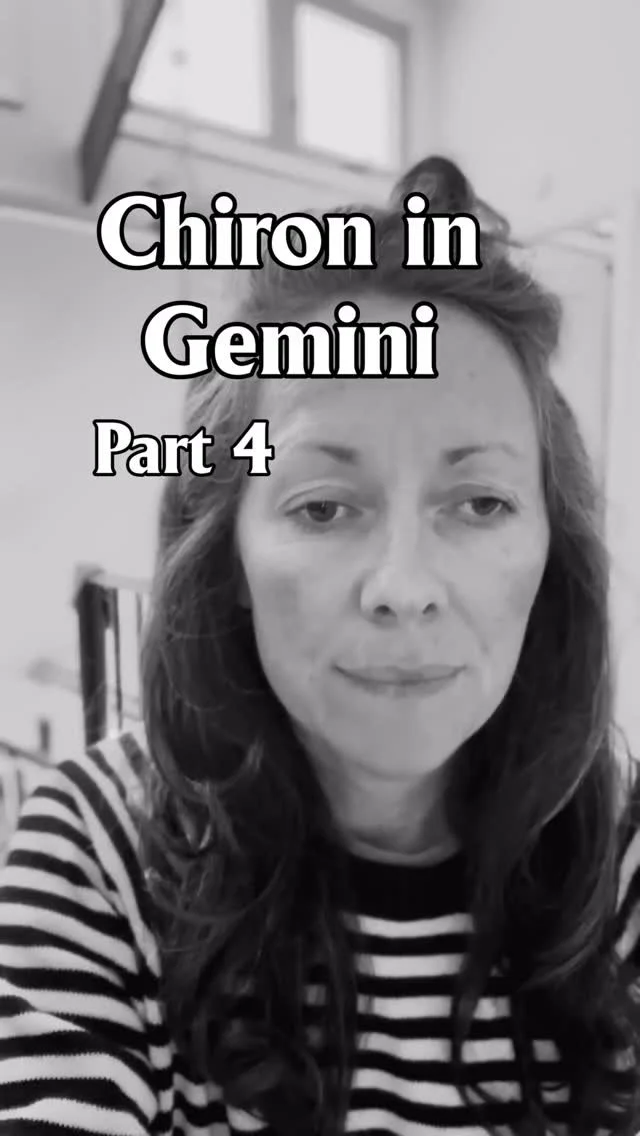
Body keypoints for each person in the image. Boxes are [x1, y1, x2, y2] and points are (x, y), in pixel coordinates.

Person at [1, 156, 640, 1136]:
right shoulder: (101, 849)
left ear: (552, 548)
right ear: (227, 554)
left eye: (480, 502)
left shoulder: (621, 862)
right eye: (324, 506)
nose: (403, 587)